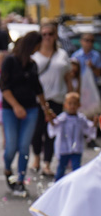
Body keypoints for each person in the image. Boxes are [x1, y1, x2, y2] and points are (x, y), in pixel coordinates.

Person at [1, 32, 55, 197]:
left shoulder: (32, 64)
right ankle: (8, 168)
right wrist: (16, 106)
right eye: (37, 46)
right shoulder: (10, 61)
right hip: (11, 109)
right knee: (11, 145)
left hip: (31, 108)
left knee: (24, 146)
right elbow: (4, 86)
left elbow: (38, 88)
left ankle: (20, 180)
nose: (38, 50)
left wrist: (46, 109)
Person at [31, 22, 73, 177]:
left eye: (50, 34)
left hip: (57, 98)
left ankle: (46, 163)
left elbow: (68, 78)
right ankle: (36, 157)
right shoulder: (34, 56)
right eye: (44, 34)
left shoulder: (62, 55)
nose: (47, 37)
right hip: (37, 100)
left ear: (55, 35)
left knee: (51, 133)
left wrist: (71, 97)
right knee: (36, 132)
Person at [47, 92, 94, 181]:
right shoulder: (63, 117)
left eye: (75, 104)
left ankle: (76, 184)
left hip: (76, 148)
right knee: (61, 168)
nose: (72, 106)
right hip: (64, 148)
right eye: (70, 103)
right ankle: (58, 185)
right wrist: (50, 117)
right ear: (65, 105)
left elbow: (89, 127)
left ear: (79, 105)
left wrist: (95, 123)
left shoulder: (80, 118)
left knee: (76, 169)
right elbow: (54, 124)